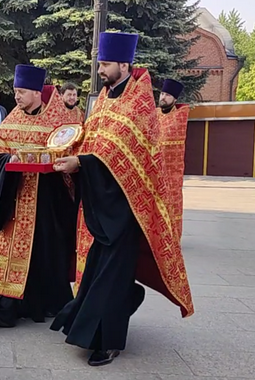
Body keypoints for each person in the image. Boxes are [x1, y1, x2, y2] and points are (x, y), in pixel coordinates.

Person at [50, 32, 194, 366]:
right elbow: (93, 139)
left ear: (124, 64)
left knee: (113, 274)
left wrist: (82, 162)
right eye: (99, 63)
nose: (100, 69)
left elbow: (121, 150)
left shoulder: (140, 102)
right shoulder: (104, 97)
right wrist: (72, 156)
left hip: (128, 204)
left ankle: (110, 341)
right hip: (102, 200)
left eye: (105, 64)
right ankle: (112, 307)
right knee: (101, 271)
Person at [0, 64, 79, 327]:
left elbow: (72, 151)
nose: (17, 96)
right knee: (10, 251)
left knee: (47, 249)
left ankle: (48, 302)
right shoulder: (13, 119)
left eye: (21, 92)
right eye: (16, 91)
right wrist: (10, 159)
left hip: (48, 200)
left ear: (36, 92)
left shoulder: (58, 120)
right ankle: (5, 305)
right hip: (16, 198)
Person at [157, 79, 190, 241]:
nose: (163, 97)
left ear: (174, 99)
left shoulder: (179, 116)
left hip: (171, 172)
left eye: (168, 95)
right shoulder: (153, 115)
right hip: (154, 171)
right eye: (162, 93)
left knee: (171, 204)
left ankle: (172, 237)